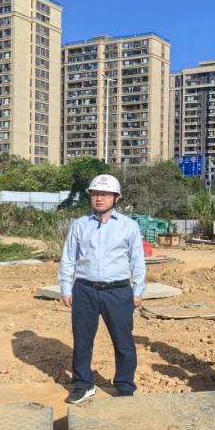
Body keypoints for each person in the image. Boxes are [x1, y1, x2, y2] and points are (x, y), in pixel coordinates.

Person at [59, 173, 146, 404]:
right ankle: (83, 384)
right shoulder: (79, 225)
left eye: (105, 194)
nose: (99, 198)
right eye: (95, 194)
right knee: (82, 340)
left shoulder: (129, 226)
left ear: (116, 198)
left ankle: (125, 386)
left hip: (118, 291)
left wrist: (138, 290)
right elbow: (68, 257)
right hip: (84, 290)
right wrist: (66, 287)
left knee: (123, 341)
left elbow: (137, 260)